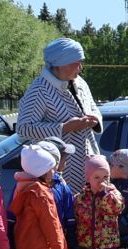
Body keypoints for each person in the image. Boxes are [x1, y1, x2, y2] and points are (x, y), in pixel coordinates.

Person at [16, 38, 102, 194]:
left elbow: (94, 107)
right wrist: (64, 128)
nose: (80, 67)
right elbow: (23, 127)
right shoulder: (39, 89)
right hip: (59, 168)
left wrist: (94, 119)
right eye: (76, 63)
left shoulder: (80, 82)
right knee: (65, 211)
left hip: (89, 163)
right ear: (60, 63)